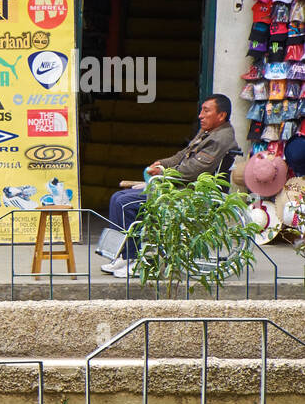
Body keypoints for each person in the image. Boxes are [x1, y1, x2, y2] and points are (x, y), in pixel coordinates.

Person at [101, 93, 237, 278]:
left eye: (206, 111)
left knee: (124, 204)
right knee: (117, 197)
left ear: (221, 115)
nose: (200, 115)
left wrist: (164, 174)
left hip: (191, 191)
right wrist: (162, 164)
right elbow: (182, 155)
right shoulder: (209, 132)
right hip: (181, 186)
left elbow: (193, 170)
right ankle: (125, 255)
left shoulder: (221, 138)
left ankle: (135, 259)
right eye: (201, 110)